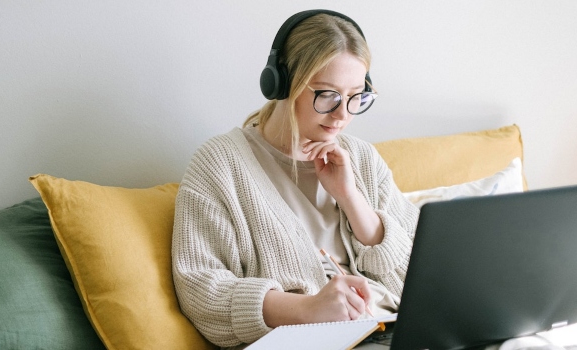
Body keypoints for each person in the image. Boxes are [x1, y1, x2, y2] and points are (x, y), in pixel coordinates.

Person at [171, 9, 420, 348]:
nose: (343, 115)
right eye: (327, 95)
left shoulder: (361, 157)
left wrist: (352, 200)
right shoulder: (220, 164)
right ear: (282, 84)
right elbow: (201, 291)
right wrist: (307, 308)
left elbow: (421, 275)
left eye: (355, 96)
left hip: (399, 330)